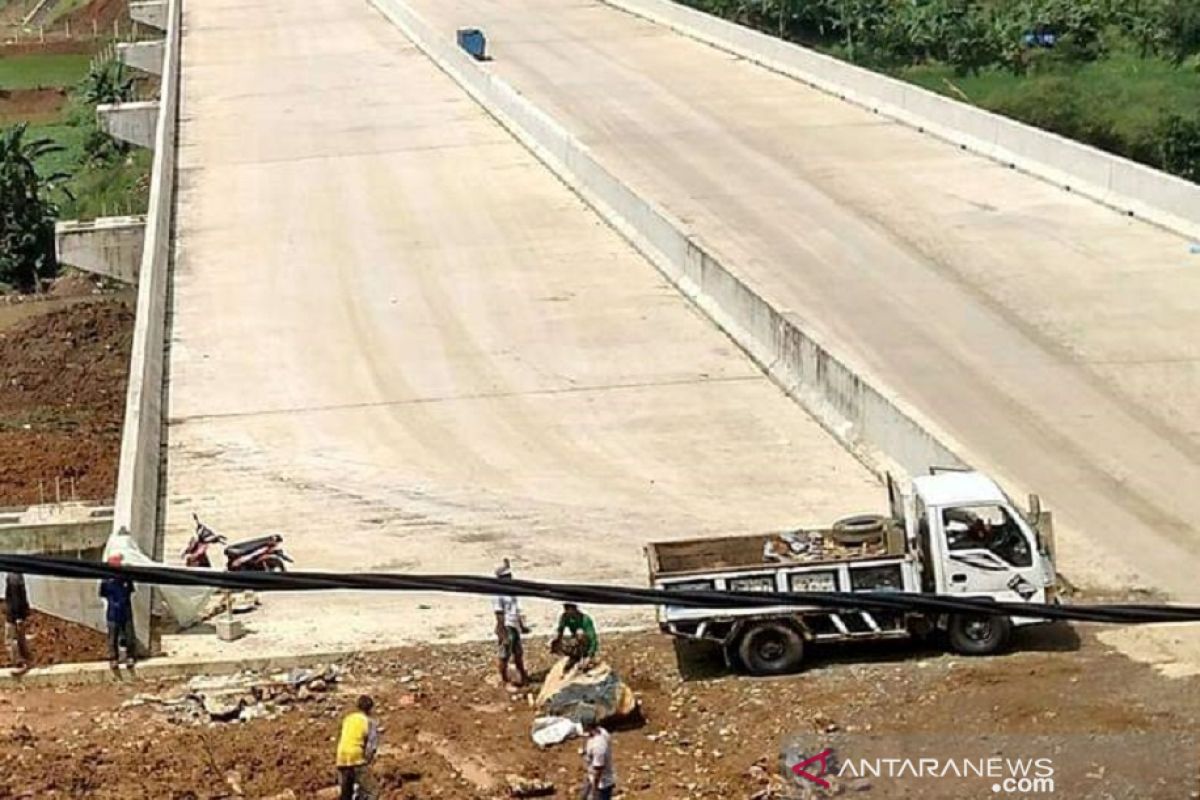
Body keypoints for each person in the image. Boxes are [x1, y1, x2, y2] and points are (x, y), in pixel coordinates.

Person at [492, 558, 530, 688]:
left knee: (518, 653)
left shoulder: (512, 591)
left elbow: (516, 609)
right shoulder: (498, 595)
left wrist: (522, 625)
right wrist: (503, 634)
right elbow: (499, 615)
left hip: (514, 625)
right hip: (507, 626)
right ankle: (504, 678)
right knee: (505, 655)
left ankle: (522, 674)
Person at [336, 695, 380, 800]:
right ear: (370, 709)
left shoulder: (348, 718)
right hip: (356, 756)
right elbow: (371, 747)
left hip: (341, 757)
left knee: (346, 793)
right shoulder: (369, 722)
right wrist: (367, 761)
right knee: (372, 791)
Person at [98, 555, 136, 669]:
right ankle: (113, 658)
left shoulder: (126, 578)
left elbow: (130, 590)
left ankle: (130, 657)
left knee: (129, 635)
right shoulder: (106, 580)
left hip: (125, 611)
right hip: (113, 613)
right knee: (112, 637)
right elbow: (102, 593)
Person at [580, 709, 617, 800]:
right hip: (592, 778)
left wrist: (593, 792)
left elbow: (598, 770)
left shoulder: (598, 746)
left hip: (601, 785)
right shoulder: (602, 731)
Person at [551, 603, 598, 671]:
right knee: (558, 641)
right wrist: (556, 641)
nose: (567, 611)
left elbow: (593, 639)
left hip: (585, 643)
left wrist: (589, 656)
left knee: (579, 632)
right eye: (566, 609)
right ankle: (573, 657)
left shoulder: (585, 619)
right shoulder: (565, 617)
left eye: (569, 609)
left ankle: (584, 657)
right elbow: (560, 630)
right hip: (575, 642)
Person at [4, 572, 31, 675]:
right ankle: (27, 660)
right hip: (20, 614)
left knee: (11, 640)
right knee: (21, 639)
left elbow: (15, 598)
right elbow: (23, 596)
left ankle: (19, 664)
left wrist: (17, 617)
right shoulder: (19, 575)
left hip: (14, 616)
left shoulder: (12, 577)